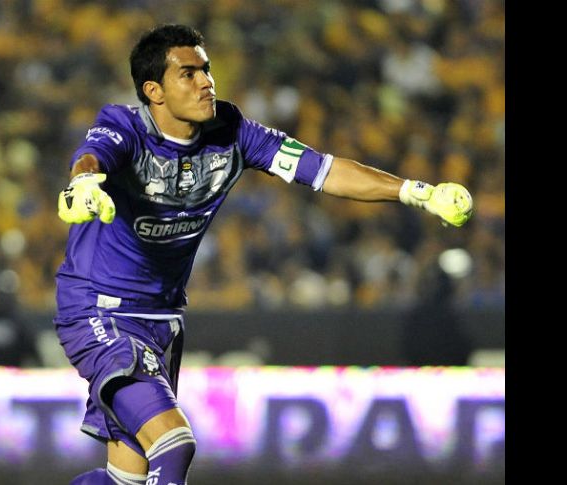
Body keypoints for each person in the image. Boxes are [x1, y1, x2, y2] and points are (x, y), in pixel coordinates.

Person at [53, 24, 473, 485]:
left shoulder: (233, 133)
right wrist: (84, 183)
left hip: (162, 318)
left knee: (124, 482)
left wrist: (416, 192)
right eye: (188, 74)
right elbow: (93, 157)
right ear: (153, 90)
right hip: (99, 310)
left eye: (206, 70)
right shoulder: (125, 126)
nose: (205, 82)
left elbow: (324, 169)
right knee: (174, 444)